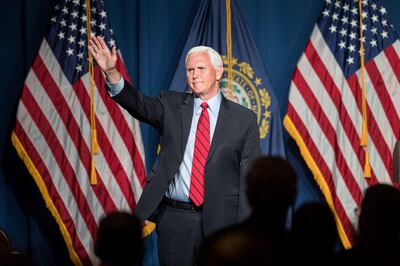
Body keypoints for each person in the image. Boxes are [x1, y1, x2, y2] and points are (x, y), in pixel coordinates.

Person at [89, 36, 261, 266]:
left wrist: (244, 229)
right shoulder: (170, 104)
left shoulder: (244, 119)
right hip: (174, 220)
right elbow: (139, 104)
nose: (194, 75)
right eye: (189, 69)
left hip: (223, 222)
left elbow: (249, 178)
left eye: (201, 68)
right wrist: (111, 73)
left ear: (218, 72)